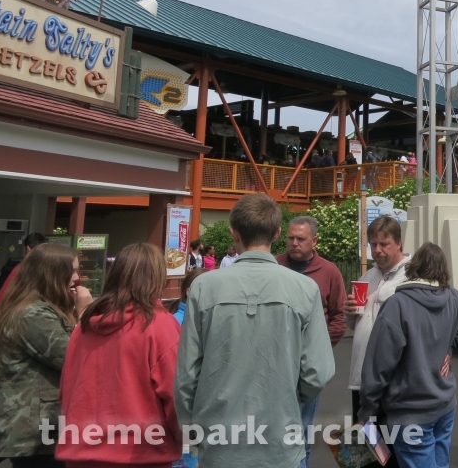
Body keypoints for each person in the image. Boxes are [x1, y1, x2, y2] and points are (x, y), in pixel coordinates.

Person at [175, 194, 335, 468]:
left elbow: (187, 373)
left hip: (219, 439)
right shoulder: (305, 288)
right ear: (277, 233)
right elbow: (318, 371)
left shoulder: (204, 287)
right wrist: (290, 399)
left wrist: (191, 426)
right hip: (280, 437)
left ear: (234, 233)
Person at [358, 243, 458, 468]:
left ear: (414, 267)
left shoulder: (398, 304)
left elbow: (379, 364)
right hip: (444, 403)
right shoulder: (455, 299)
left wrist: (367, 408)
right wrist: (452, 346)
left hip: (409, 411)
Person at [58, 243, 183, 467]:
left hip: (81, 450)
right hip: (141, 453)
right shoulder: (159, 325)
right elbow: (176, 394)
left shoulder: (84, 326)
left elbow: (67, 388)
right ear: (157, 278)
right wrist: (182, 436)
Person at [0, 243, 91, 467]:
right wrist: (84, 312)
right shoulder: (32, 314)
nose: (77, 278)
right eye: (72, 271)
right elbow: (75, 358)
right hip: (34, 431)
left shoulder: (42, 308)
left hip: (42, 427)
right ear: (52, 274)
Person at [277, 215, 347, 468]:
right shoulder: (275, 266)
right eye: (290, 238)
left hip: (306, 368)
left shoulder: (329, 272)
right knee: (269, 435)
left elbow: (339, 317)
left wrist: (318, 350)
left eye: (301, 239)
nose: (294, 243)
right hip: (274, 364)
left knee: (302, 435)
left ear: (314, 241)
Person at [343, 214, 409, 418]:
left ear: (398, 243)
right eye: (373, 244)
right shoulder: (367, 277)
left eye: (384, 244)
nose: (377, 250)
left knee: (389, 436)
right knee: (363, 436)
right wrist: (349, 312)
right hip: (361, 376)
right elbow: (356, 323)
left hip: (393, 380)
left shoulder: (411, 277)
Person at [0, 232, 48, 307]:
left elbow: (1, 298)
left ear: (28, 248)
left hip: (20, 309)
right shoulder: (52, 269)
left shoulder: (22, 269)